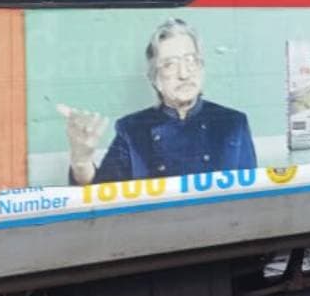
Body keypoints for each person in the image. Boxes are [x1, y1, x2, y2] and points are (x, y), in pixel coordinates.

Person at [60, 18, 257, 185]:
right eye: (170, 65)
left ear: (202, 68)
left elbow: (249, 200)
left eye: (191, 60)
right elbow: (101, 197)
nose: (184, 73)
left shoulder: (233, 123)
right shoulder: (132, 129)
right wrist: (81, 162)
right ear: (155, 79)